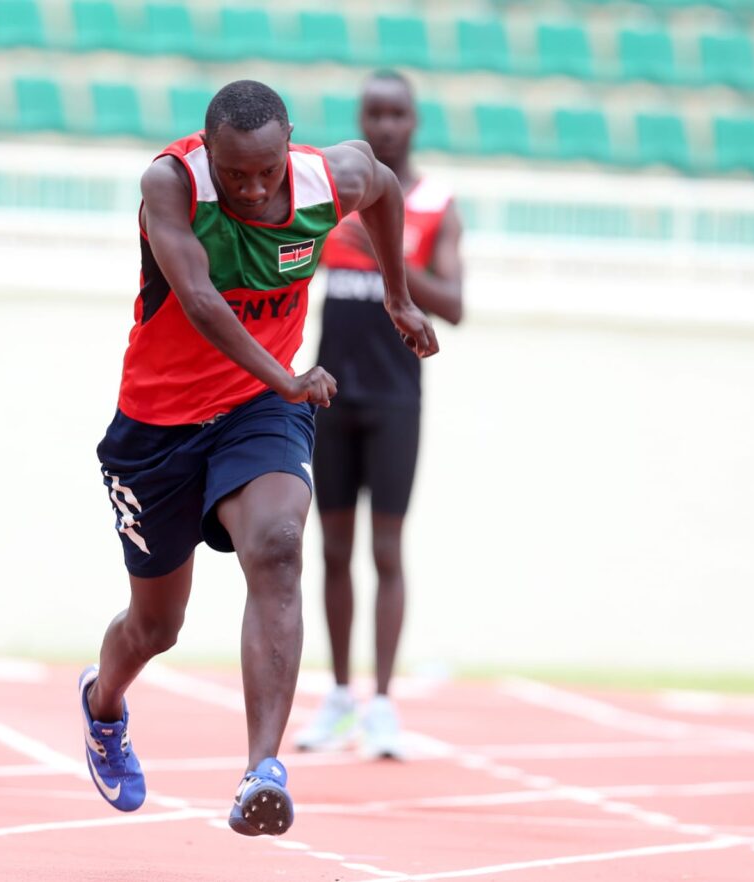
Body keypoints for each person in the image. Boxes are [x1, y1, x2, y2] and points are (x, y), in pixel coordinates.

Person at [79, 79, 438, 837]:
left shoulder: (323, 178)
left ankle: (261, 770)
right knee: (156, 627)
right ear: (209, 151)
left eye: (266, 171)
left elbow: (379, 185)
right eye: (235, 172)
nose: (252, 187)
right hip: (159, 430)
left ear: (290, 145)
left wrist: (398, 295)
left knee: (278, 547)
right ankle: (103, 702)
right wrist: (291, 375)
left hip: (256, 411)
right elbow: (204, 301)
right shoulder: (170, 184)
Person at [294, 70, 463, 760]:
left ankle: (384, 705)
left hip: (396, 399)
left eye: (397, 114)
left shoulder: (434, 204)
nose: (385, 125)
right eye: (374, 114)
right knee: (330, 551)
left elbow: (453, 303)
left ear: (414, 122)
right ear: (361, 120)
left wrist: (387, 257)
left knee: (386, 551)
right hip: (331, 394)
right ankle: (338, 698)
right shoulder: (331, 202)